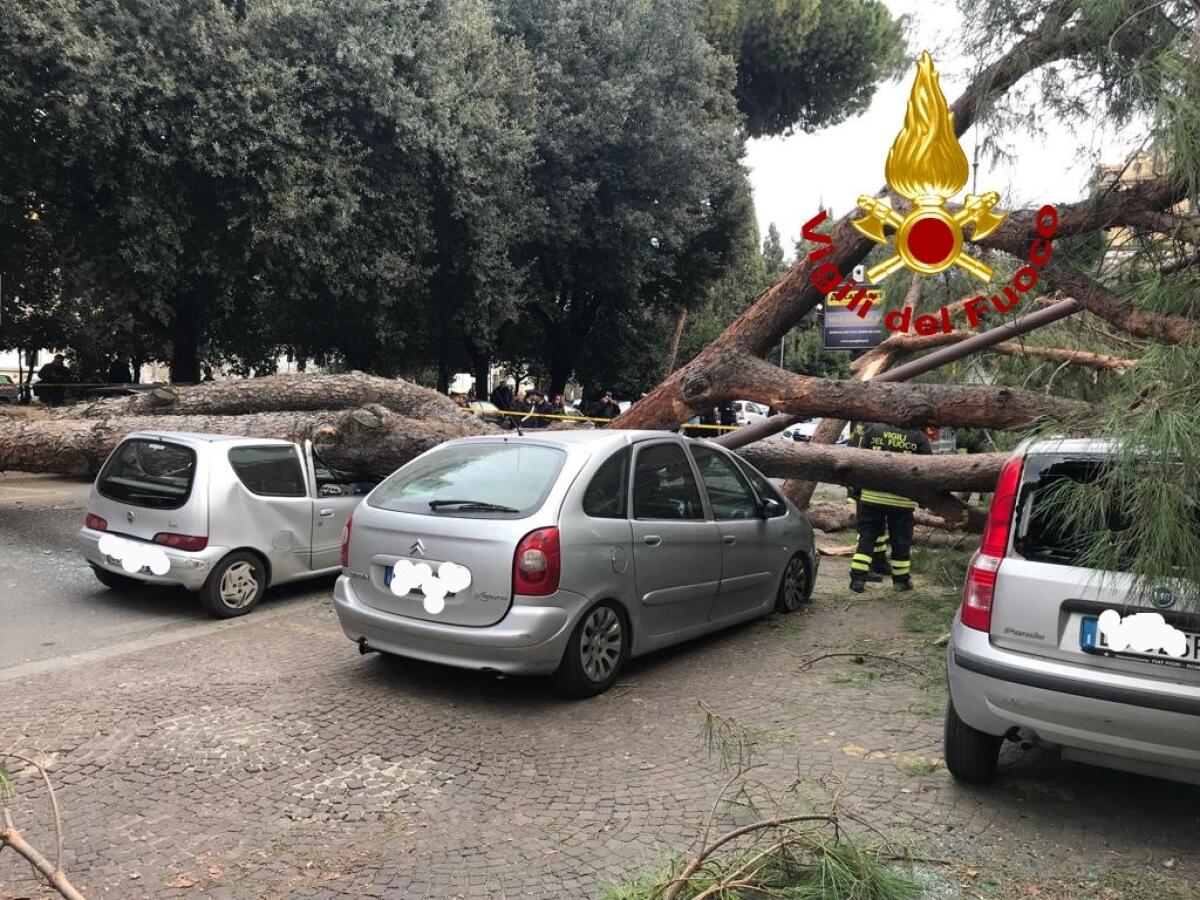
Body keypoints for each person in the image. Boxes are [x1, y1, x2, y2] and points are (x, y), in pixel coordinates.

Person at [848, 421, 932, 593]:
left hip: (871, 497)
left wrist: (856, 491)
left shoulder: (873, 430)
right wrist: (925, 498)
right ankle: (901, 581)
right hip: (901, 501)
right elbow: (928, 470)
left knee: (867, 537)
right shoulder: (918, 437)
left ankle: (857, 579)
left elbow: (859, 461)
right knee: (901, 541)